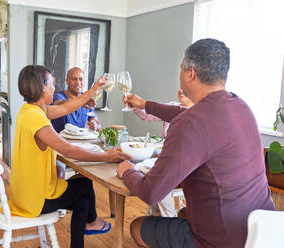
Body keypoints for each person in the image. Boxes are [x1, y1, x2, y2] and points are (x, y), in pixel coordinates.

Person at [117, 38, 275, 248]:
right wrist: (144, 104)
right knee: (183, 213)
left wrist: (127, 170)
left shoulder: (190, 123)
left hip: (223, 241)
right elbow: (183, 113)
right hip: (263, 230)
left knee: (137, 226)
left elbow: (151, 192)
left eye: (181, 68)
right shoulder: (240, 106)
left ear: (190, 73)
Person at [9, 65, 130, 248]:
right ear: (43, 88)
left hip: (24, 192)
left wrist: (94, 89)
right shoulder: (37, 118)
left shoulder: (29, 110)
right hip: (35, 198)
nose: (53, 88)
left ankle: (86, 230)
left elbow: (67, 107)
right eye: (51, 84)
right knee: (84, 186)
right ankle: (91, 223)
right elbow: (68, 150)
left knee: (82, 196)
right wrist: (106, 156)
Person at [134, 88, 193, 218]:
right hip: (167, 158)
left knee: (161, 186)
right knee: (156, 181)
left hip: (184, 165)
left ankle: (168, 218)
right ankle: (155, 216)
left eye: (186, 88)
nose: (181, 91)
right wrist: (135, 106)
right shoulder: (171, 106)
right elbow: (146, 115)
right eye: (180, 87)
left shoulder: (197, 112)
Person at [51, 67, 101, 132]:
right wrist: (82, 102)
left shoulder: (86, 99)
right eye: (74, 79)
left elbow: (97, 124)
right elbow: (59, 103)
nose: (78, 82)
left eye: (81, 79)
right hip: (58, 140)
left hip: (79, 141)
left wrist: (94, 124)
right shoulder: (58, 96)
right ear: (67, 81)